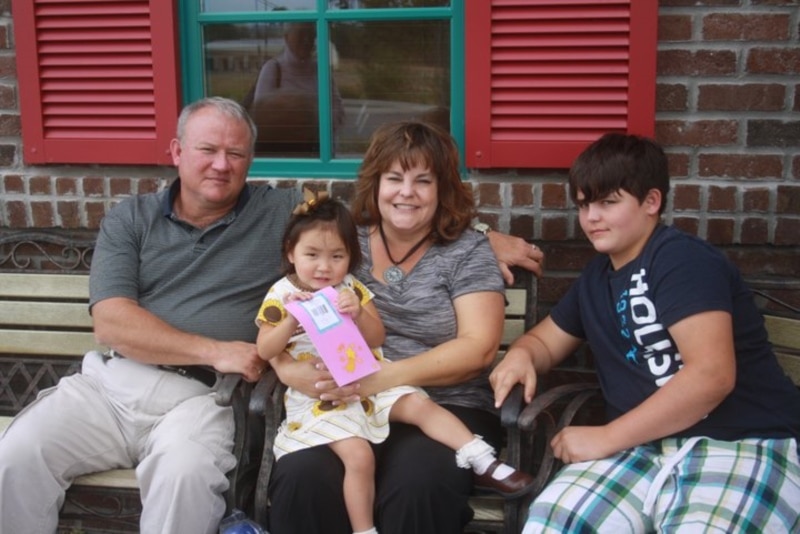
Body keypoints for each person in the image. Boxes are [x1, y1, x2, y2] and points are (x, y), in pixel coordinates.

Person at [0, 97, 295, 534]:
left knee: (184, 476)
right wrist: (215, 350)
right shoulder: (131, 219)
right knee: (17, 454)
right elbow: (112, 323)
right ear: (177, 151)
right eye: (207, 149)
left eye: (235, 153)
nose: (221, 164)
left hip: (205, 399)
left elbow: (352, 236)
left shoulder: (281, 214)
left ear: (250, 161)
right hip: (110, 388)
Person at [490, 133, 800, 533]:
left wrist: (607, 437)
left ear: (651, 202)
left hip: (738, 441)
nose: (591, 217)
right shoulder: (596, 279)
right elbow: (543, 342)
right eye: (584, 205)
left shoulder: (681, 259)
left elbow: (712, 375)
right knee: (554, 523)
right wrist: (522, 354)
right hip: (639, 451)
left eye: (608, 202)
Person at [266, 120, 528, 534]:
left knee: (418, 483)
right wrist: (285, 370)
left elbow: (477, 348)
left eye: (423, 181)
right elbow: (286, 309)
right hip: (341, 403)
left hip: (444, 405)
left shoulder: (467, 251)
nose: (407, 192)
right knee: (304, 476)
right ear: (375, 183)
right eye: (394, 178)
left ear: (442, 189)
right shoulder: (342, 243)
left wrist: (377, 379)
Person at [247, 22, 345, 155]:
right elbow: (263, 116)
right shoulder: (273, 68)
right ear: (287, 37)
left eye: (311, 36)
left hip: (319, 151)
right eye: (301, 34)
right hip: (285, 152)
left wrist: (317, 125)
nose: (306, 40)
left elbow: (337, 108)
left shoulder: (320, 69)